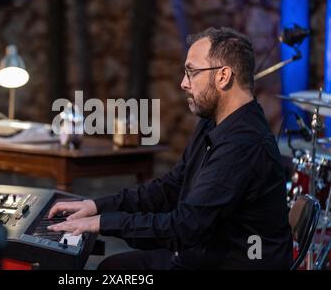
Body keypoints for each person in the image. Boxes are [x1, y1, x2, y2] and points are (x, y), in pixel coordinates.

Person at [47, 27, 293, 270]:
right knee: (114, 267)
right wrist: (97, 206)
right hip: (199, 254)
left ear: (223, 76)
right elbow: (171, 187)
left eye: (191, 72)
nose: (183, 83)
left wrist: (103, 222)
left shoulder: (244, 144)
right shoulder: (212, 123)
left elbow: (186, 227)